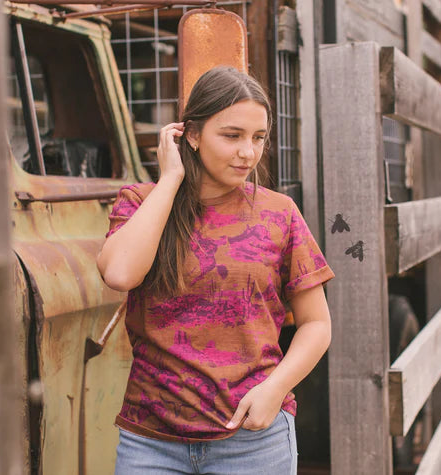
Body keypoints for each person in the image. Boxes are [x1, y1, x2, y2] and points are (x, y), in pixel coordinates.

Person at [97, 66, 334, 475]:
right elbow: (119, 274)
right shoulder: (140, 202)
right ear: (191, 134)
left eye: (258, 137)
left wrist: (275, 389)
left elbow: (317, 324)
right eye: (232, 135)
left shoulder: (279, 213)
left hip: (251, 438)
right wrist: (171, 179)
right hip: (151, 442)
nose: (248, 153)